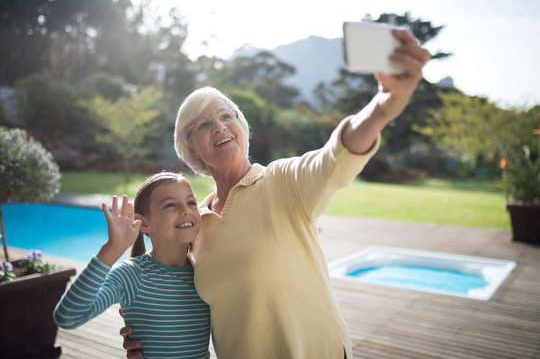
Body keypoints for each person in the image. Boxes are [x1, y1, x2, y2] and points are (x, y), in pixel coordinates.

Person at [122, 29, 430, 358]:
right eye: (203, 124)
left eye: (227, 116)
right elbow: (184, 300)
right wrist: (150, 335)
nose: (219, 126)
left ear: (242, 129)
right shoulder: (194, 223)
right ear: (191, 149)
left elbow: (334, 157)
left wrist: (381, 108)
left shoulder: (282, 182)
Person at [54, 172, 211, 359]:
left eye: (191, 202)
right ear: (143, 224)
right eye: (170, 205)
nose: (185, 210)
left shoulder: (205, 272)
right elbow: (67, 317)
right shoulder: (130, 276)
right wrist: (112, 249)